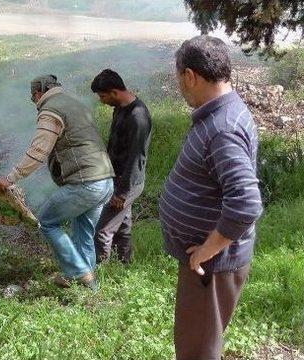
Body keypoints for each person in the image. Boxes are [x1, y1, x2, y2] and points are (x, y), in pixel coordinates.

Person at [160, 36, 263, 360]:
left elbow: (246, 202)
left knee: (197, 352)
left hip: (210, 267)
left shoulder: (222, 128)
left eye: (179, 79)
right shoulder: (222, 113)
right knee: (198, 343)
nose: (180, 87)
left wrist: (206, 250)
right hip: (207, 264)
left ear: (190, 75)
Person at [0, 74, 114, 289]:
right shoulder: (73, 103)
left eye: (33, 97)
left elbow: (39, 150)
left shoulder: (51, 110)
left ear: (39, 93)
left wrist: (10, 178)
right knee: (83, 232)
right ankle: (88, 287)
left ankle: (80, 272)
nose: (34, 102)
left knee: (47, 222)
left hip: (86, 183)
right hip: (105, 180)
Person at [90, 69, 152, 264]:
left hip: (128, 183)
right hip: (117, 179)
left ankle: (99, 274)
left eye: (102, 96)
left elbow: (137, 158)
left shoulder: (137, 116)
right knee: (123, 227)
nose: (101, 101)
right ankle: (123, 265)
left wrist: (122, 193)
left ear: (114, 92)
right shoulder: (119, 108)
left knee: (102, 230)